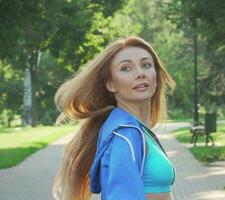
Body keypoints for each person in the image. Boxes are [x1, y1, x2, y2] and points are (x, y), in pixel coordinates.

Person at [52, 36, 176, 200]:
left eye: (146, 65)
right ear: (110, 84)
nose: (140, 73)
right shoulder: (124, 135)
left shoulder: (136, 130)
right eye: (126, 68)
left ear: (156, 76)